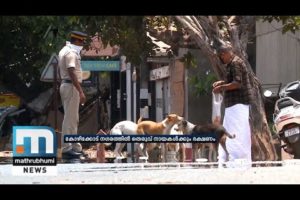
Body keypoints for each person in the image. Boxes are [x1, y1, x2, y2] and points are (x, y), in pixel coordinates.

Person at [212, 44, 253, 167]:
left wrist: (222, 87)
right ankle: (232, 158)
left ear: (225, 53)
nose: (222, 59)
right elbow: (232, 81)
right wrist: (222, 83)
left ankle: (238, 158)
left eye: (221, 56)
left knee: (237, 131)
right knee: (230, 130)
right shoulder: (232, 64)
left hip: (238, 103)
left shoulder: (235, 63)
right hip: (233, 105)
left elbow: (237, 83)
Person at [58, 31, 87, 158]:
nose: (83, 44)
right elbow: (71, 70)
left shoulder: (65, 49)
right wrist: (80, 91)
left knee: (73, 118)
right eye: (82, 42)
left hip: (68, 85)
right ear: (77, 41)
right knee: (70, 119)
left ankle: (75, 146)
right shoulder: (71, 52)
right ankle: (67, 148)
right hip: (71, 86)